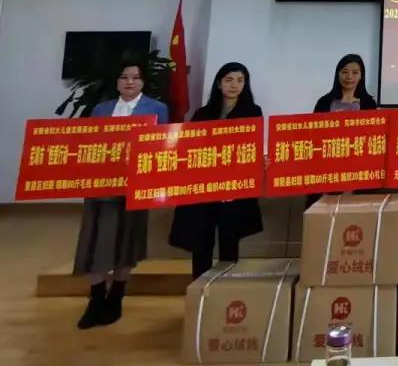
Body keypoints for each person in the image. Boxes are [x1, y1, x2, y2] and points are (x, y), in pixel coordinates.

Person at [72, 59, 168, 329]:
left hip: (134, 187)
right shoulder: (101, 109)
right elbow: (89, 145)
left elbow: (162, 147)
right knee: (94, 242)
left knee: (128, 242)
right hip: (101, 186)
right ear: (117, 81)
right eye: (124, 77)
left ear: (143, 82)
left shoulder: (157, 109)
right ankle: (96, 298)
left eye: (135, 77)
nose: (129, 82)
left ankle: (116, 297)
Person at [169, 62, 264, 279]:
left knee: (229, 240)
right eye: (229, 80)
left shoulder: (252, 111)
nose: (234, 85)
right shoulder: (203, 113)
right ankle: (199, 288)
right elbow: (189, 147)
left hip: (233, 188)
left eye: (240, 80)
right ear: (219, 84)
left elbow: (252, 146)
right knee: (201, 241)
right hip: (204, 187)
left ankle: (224, 289)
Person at [314, 54, 378, 112]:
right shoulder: (323, 102)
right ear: (338, 74)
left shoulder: (369, 103)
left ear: (361, 76)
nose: (349, 77)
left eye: (355, 72)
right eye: (345, 72)